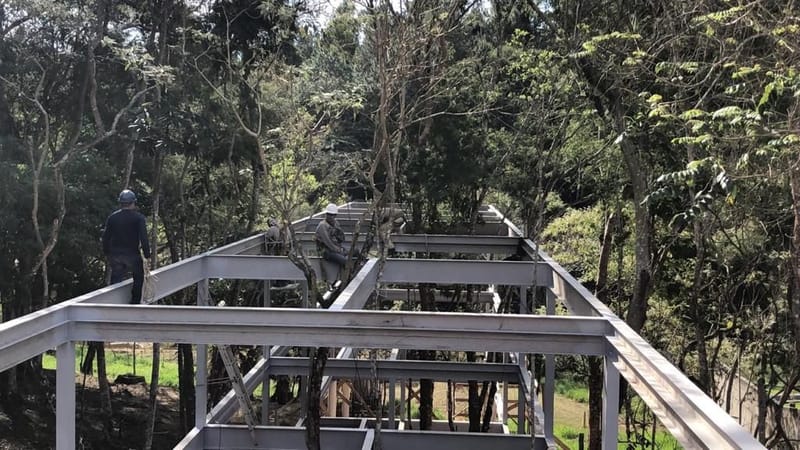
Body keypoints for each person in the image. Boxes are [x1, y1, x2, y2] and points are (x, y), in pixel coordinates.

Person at [102, 189, 151, 304]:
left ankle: (114, 304)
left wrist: (107, 252)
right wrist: (147, 255)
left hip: (116, 255)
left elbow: (105, 237)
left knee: (116, 279)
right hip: (133, 254)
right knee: (138, 278)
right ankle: (134, 303)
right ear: (133, 203)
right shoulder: (138, 218)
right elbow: (144, 238)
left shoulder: (113, 217)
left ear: (121, 203)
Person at [315, 203, 348, 267]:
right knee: (344, 260)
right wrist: (339, 250)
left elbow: (342, 239)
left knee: (355, 251)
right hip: (325, 252)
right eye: (329, 214)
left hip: (336, 249)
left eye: (332, 215)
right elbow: (328, 243)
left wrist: (337, 230)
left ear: (335, 215)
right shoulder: (322, 226)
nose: (330, 217)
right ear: (326, 214)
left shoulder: (336, 223)